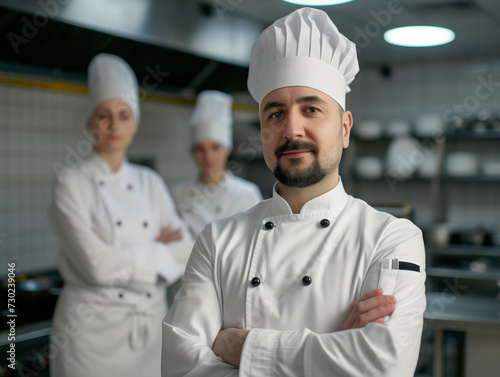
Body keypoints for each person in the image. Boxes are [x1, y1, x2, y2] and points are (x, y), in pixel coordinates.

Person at [161, 7, 426, 377]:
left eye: (311, 109)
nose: (292, 130)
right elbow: (179, 367)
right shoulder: (217, 241)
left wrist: (240, 347)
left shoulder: (392, 238)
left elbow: (384, 364)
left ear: (345, 129)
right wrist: (332, 352)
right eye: (275, 114)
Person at [48, 53, 193, 377]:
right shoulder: (69, 182)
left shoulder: (149, 181)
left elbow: (186, 251)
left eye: (124, 115)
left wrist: (117, 255)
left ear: (135, 122)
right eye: (104, 115)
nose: (114, 125)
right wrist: (157, 250)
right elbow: (97, 267)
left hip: (149, 331)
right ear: (90, 122)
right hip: (88, 335)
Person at [172, 90, 263, 238]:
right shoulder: (178, 194)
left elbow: (254, 241)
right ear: (192, 152)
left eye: (215, 147)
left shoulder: (247, 193)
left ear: (227, 149)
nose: (208, 156)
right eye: (200, 149)